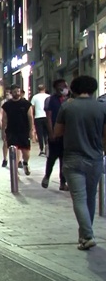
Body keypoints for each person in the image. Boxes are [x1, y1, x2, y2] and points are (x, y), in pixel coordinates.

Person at [52, 75, 106, 250]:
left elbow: (57, 132)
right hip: (95, 158)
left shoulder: (67, 107)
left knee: (79, 199)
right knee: (90, 198)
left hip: (73, 158)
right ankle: (84, 236)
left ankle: (88, 235)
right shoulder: (101, 108)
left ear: (73, 89)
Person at [1, 85, 36, 176]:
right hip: (11, 131)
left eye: (18, 91)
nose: (17, 93)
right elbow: (4, 119)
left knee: (26, 152)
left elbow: (30, 117)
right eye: (15, 91)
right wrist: (3, 131)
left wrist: (32, 130)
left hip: (24, 131)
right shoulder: (7, 105)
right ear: (11, 92)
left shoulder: (26, 104)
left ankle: (25, 163)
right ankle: (15, 172)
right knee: (14, 151)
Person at [42, 79, 69, 190]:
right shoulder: (50, 100)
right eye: (60, 86)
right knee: (52, 157)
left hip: (67, 135)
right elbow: (48, 117)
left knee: (64, 159)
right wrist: (51, 132)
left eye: (64, 85)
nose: (63, 87)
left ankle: (63, 183)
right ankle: (47, 176)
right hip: (55, 133)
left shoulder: (69, 100)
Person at [31, 84, 51, 156]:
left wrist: (32, 117)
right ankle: (47, 147)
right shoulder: (49, 96)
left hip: (38, 117)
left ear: (38, 89)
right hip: (47, 117)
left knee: (40, 134)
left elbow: (32, 108)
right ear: (44, 89)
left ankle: (41, 149)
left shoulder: (34, 97)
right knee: (47, 133)